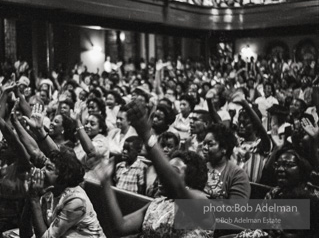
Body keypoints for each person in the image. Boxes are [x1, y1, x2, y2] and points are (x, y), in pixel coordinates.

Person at [95, 100, 214, 237]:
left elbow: (176, 186)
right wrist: (105, 182)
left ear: (190, 179)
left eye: (173, 171)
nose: (162, 175)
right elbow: (121, 226)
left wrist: (147, 135)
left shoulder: (200, 201)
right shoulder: (158, 202)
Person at [203, 123, 251, 200]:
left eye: (210, 144)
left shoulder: (237, 175)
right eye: (204, 144)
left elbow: (234, 209)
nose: (204, 148)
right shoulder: (200, 168)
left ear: (224, 148)